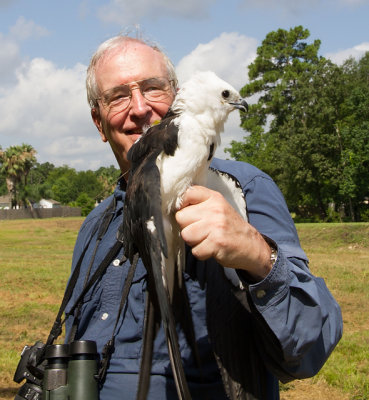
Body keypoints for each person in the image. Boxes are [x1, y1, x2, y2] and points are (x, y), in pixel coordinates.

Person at [64, 34, 343, 399]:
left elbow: (311, 350)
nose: (138, 108)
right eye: (117, 96)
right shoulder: (95, 226)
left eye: (152, 88)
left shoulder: (243, 188)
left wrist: (257, 255)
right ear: (99, 124)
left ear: (177, 96)